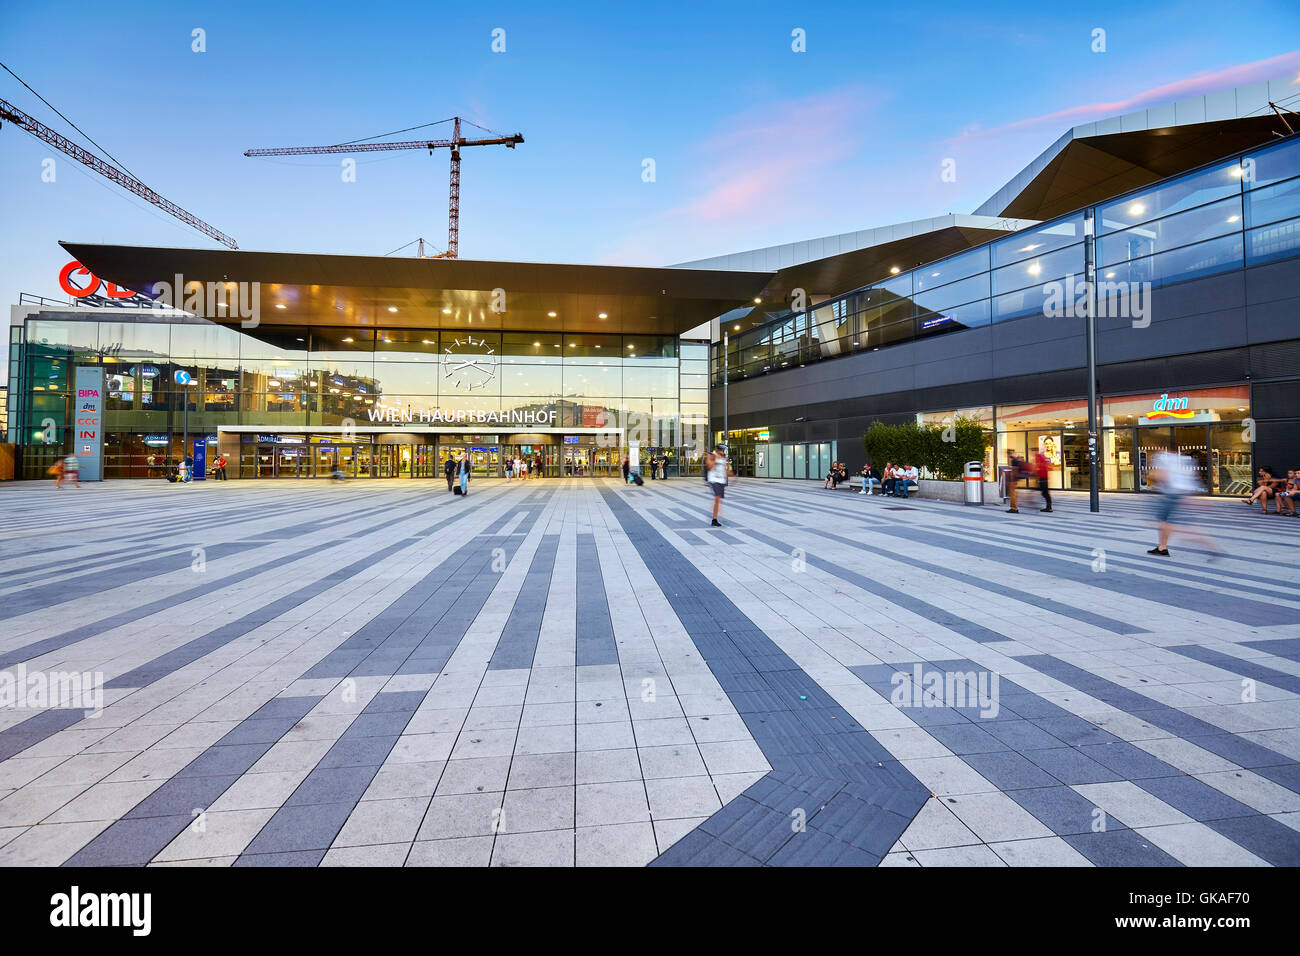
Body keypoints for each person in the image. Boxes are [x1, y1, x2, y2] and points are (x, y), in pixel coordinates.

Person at [1148, 448, 1220, 558]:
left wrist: (1151, 477)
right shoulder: (1181, 459)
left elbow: (1163, 477)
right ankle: (1162, 547)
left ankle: (1212, 547)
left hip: (1172, 494)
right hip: (1179, 493)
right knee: (1166, 522)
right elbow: (1195, 476)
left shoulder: (1162, 458)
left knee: (1177, 526)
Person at [705, 444, 734, 527]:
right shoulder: (711, 455)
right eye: (722, 450)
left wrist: (733, 476)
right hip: (714, 480)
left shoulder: (724, 458)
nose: (723, 452)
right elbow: (710, 467)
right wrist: (716, 459)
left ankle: (718, 516)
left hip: (721, 480)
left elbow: (726, 469)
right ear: (718, 450)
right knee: (717, 498)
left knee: (718, 499)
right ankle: (714, 519)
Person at [1034, 448, 1053, 513]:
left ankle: (1049, 507)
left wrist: (1037, 472)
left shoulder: (1038, 457)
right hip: (1044, 477)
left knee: (1045, 493)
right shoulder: (1041, 457)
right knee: (1044, 492)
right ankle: (1049, 506)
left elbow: (1038, 467)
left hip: (1043, 477)